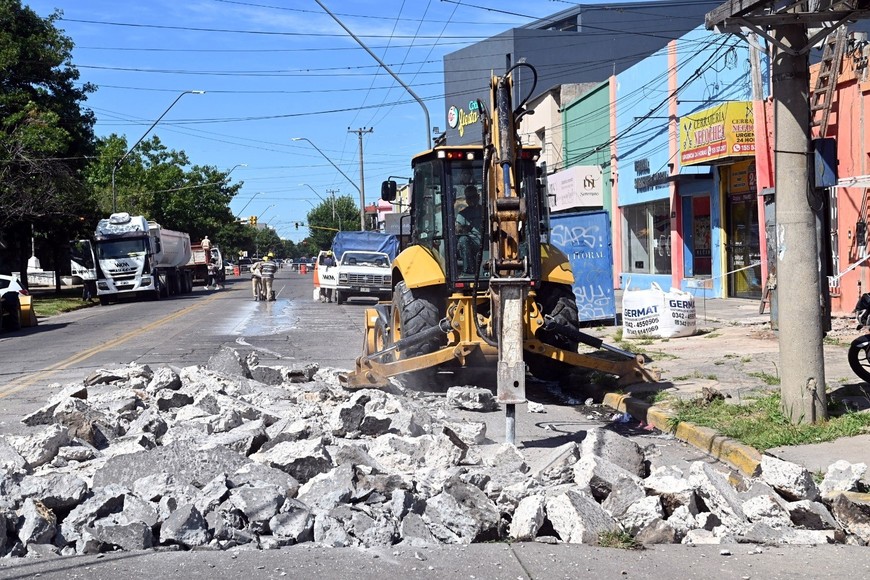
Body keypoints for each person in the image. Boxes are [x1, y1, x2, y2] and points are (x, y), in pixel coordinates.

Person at [456, 185, 483, 275]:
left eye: (474, 197)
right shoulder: (463, 214)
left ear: (478, 197)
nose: (471, 200)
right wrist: (464, 229)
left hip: (488, 240)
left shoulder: (486, 210)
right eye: (469, 198)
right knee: (463, 240)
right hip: (472, 242)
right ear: (466, 199)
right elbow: (457, 228)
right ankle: (469, 271)